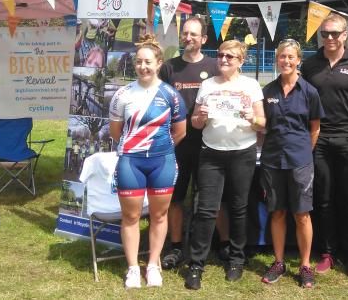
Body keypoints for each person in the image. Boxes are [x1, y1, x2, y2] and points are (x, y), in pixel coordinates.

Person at [108, 34, 187, 289]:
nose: (143, 66)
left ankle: (153, 264)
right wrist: (136, 148)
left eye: (148, 62)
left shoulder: (171, 94)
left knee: (159, 215)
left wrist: (160, 150)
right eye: (139, 62)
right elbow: (115, 132)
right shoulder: (122, 94)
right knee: (130, 217)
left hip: (161, 161)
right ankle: (133, 268)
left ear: (158, 63)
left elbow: (180, 131)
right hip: (131, 161)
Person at [185, 40, 265, 290]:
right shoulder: (207, 85)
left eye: (230, 57)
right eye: (220, 56)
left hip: (243, 153)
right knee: (207, 210)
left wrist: (254, 118)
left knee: (239, 207)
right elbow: (195, 123)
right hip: (211, 153)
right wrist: (201, 117)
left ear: (241, 61)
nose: (224, 60)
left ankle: (236, 259)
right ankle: (196, 264)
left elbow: (263, 122)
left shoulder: (251, 85)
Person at [300, 12, 348, 279]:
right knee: (324, 198)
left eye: (334, 33)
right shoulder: (309, 64)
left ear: (345, 35)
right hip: (319, 138)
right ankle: (327, 252)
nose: (328, 38)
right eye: (324, 33)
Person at [157, 17, 226, 270]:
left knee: (212, 198)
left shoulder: (215, 66)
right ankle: (175, 246)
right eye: (185, 33)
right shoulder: (168, 68)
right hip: (175, 145)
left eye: (194, 34)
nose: (188, 38)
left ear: (203, 39)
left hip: (209, 144)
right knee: (175, 199)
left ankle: (223, 244)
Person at [259, 39, 324, 288]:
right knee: (277, 212)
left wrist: (304, 153)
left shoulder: (309, 91)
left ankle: (305, 265)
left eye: (290, 57)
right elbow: (262, 124)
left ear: (298, 60)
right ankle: (278, 262)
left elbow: (315, 128)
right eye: (281, 57)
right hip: (272, 159)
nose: (285, 61)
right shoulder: (268, 91)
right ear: (277, 60)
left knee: (302, 214)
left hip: (300, 161)